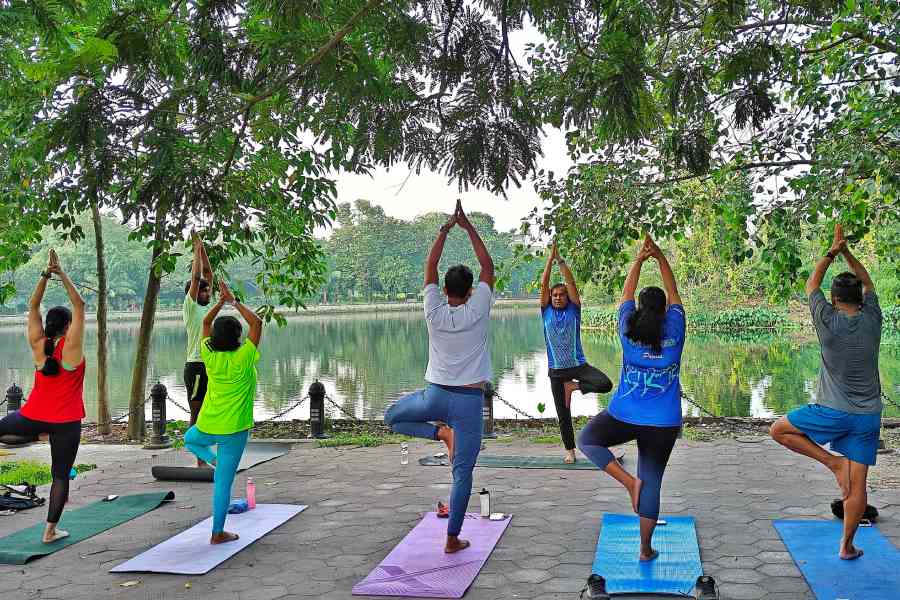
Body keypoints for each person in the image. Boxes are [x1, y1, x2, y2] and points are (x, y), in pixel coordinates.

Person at [384, 200, 495, 554]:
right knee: (462, 474)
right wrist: (468, 226)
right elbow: (488, 266)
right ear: (470, 291)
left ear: (445, 291)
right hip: (467, 401)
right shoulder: (479, 307)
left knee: (391, 419)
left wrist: (446, 229)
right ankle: (452, 540)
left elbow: (430, 264)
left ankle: (437, 432)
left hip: (434, 395)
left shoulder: (433, 308)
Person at [770, 223, 882, 561]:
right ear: (861, 298)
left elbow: (812, 284)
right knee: (859, 485)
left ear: (834, 300)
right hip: (868, 415)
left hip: (832, 411)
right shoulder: (873, 318)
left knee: (778, 430)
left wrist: (833, 251)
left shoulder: (827, 320)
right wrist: (848, 253)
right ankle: (847, 546)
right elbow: (869, 282)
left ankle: (833, 464)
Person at [578, 234, 686, 565]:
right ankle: (645, 549)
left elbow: (625, 293)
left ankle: (628, 483)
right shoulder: (676, 329)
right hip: (664, 423)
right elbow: (675, 292)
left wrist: (639, 259)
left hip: (623, 415)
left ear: (639, 308)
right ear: (666, 309)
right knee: (651, 480)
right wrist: (661, 258)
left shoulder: (628, 328)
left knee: (587, 440)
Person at [0, 249, 86, 543]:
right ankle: (50, 531)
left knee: (3, 430)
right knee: (60, 475)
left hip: (33, 415)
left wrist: (45, 275)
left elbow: (33, 304)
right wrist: (62, 273)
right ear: (67, 326)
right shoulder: (71, 348)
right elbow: (81, 304)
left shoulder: (38, 344)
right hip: (65, 421)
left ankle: (38, 435)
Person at [184, 280, 263, 545]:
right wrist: (234, 301)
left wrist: (220, 302)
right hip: (235, 430)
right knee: (222, 482)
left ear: (215, 337)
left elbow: (205, 325)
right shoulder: (244, 357)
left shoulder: (208, 353)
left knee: (190, 439)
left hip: (209, 424)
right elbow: (258, 324)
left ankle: (213, 460)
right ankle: (217, 532)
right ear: (238, 337)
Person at [539, 242, 612, 463]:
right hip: (556, 371)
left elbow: (571, 282)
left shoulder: (574, 309)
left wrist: (560, 261)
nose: (559, 297)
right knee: (563, 414)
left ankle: (574, 387)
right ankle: (569, 450)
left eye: (562, 294)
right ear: (550, 298)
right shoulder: (545, 311)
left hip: (578, 366)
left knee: (605, 384)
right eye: (555, 295)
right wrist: (549, 261)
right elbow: (543, 285)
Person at [183, 232, 214, 466]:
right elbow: (196, 276)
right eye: (203, 291)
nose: (207, 292)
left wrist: (202, 248)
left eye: (207, 290)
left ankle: (205, 454)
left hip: (210, 364)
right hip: (195, 365)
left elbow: (208, 274)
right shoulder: (191, 307)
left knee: (208, 411)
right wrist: (195, 250)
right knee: (196, 412)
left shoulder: (207, 307)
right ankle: (199, 459)